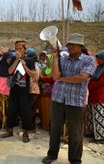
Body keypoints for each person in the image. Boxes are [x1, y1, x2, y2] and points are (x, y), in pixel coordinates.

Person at [42, 34, 96, 164]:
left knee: (76, 132)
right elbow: (55, 76)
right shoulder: (62, 59)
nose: (70, 46)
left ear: (81, 46)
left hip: (76, 101)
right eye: (69, 44)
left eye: (73, 44)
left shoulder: (89, 60)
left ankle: (75, 159)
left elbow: (82, 77)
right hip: (58, 99)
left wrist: (63, 79)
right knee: (55, 129)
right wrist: (55, 58)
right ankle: (52, 155)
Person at [0, 40, 36, 143]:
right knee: (11, 110)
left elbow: (33, 75)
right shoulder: (13, 59)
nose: (18, 50)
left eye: (20, 48)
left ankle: (25, 133)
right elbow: (10, 72)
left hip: (24, 90)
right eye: (16, 48)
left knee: (25, 112)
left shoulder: (30, 60)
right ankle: (9, 131)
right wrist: (16, 60)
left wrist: (24, 65)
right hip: (14, 88)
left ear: (25, 49)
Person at [87, 51, 104, 144]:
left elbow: (101, 83)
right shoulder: (99, 68)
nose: (97, 60)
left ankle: (100, 138)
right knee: (92, 115)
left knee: (100, 116)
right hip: (93, 94)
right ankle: (93, 133)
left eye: (99, 58)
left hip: (100, 95)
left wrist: (89, 87)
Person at [0, 52, 15, 130]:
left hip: (10, 93)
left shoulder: (13, 69)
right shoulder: (0, 68)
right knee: (0, 110)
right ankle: (0, 124)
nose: (9, 60)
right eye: (8, 58)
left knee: (8, 110)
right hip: (0, 92)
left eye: (11, 59)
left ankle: (7, 125)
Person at [39, 54, 55, 131]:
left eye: (48, 59)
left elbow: (52, 79)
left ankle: (49, 125)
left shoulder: (54, 69)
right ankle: (44, 124)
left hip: (51, 92)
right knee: (43, 108)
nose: (46, 61)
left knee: (49, 109)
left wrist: (42, 78)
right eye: (46, 59)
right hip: (43, 91)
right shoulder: (45, 68)